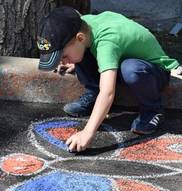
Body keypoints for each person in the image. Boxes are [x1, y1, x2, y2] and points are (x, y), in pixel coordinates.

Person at [36, 6, 182, 153]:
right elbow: (81, 47)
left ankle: (153, 110)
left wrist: (87, 133)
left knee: (131, 69)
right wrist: (72, 60)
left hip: (153, 71)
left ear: (79, 38)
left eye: (63, 56)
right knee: (81, 53)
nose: (63, 62)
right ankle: (93, 92)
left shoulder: (107, 42)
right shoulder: (83, 27)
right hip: (120, 59)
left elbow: (108, 93)